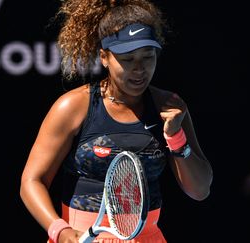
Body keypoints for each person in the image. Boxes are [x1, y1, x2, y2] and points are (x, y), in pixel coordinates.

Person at [20, 0, 213, 242]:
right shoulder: (73, 106)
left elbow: (200, 190)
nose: (139, 69)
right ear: (104, 57)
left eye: (147, 57)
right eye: (128, 58)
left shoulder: (170, 106)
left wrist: (176, 139)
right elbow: (31, 181)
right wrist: (61, 231)